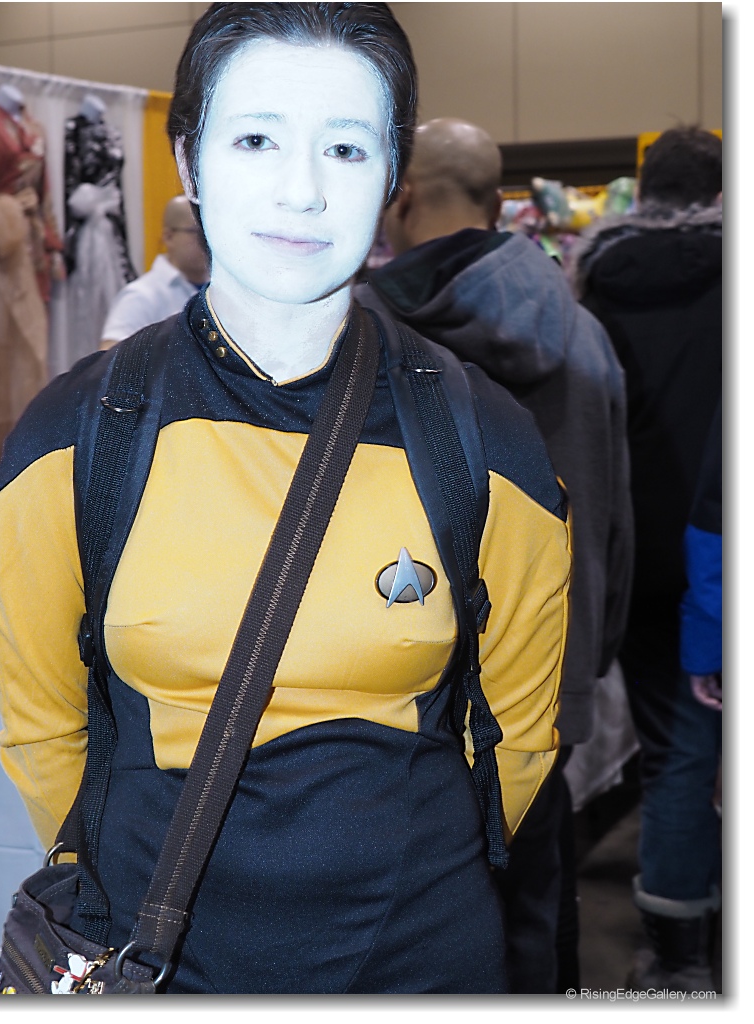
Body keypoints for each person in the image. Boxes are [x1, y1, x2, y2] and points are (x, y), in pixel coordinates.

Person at [0, 3, 571, 995]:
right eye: (256, 139)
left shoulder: (486, 441)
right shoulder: (75, 434)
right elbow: (43, 733)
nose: (301, 190)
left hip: (421, 959)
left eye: (345, 148)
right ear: (188, 157)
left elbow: (516, 743)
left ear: (392, 173)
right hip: (154, 957)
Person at [357, 116, 633, 993]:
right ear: (497, 200)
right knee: (538, 904)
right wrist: (589, 656)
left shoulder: (352, 338)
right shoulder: (581, 333)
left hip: (395, 680)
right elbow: (615, 518)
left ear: (400, 197)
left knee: (408, 927)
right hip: (552, 669)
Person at [568, 125, 722, 992]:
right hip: (723, 543)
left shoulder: (592, 284)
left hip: (634, 551)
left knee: (675, 752)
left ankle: (676, 953)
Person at [100, 194, 210, 348]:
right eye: (196, 231)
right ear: (169, 237)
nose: (206, 240)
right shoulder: (141, 297)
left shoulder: (222, 291)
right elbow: (110, 355)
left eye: (210, 231)